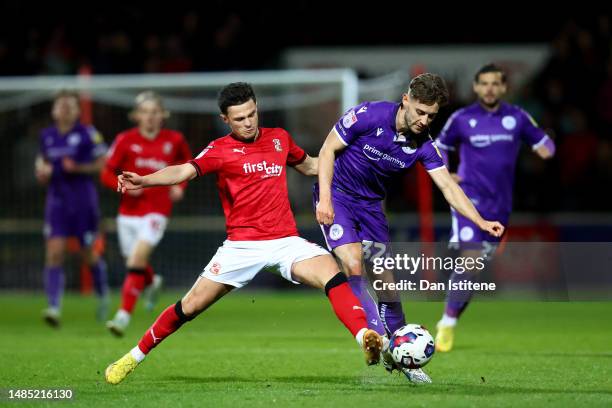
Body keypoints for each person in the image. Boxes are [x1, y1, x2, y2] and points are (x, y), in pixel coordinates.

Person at [104, 82, 382, 385]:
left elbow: (312, 166)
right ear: (226, 119)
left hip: (285, 241)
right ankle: (132, 357)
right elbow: (182, 171)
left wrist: (354, 162)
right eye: (239, 119)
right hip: (241, 246)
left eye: (252, 114)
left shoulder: (279, 138)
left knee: (331, 272)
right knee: (189, 307)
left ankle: (364, 337)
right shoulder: (220, 149)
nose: (248, 122)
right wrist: (144, 180)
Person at [315, 73, 505, 383]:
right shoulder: (369, 114)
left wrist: (480, 220)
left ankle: (404, 358)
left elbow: (448, 187)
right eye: (420, 111)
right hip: (337, 197)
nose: (424, 120)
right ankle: (374, 338)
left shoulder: (424, 145)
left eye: (432, 115)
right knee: (352, 263)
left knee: (386, 282)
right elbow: (327, 150)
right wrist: (324, 199)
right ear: (406, 99)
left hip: (372, 207)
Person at [433, 64, 555, 352]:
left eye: (495, 83)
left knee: (473, 271)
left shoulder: (518, 118)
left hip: (500, 206)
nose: (489, 88)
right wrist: (446, 173)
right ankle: (447, 326)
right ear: (476, 87)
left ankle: (449, 318)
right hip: (467, 198)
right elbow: (440, 146)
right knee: (471, 257)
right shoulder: (462, 119)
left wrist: (545, 145)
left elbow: (546, 145)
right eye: (484, 83)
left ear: (503, 88)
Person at [101, 91, 192, 336]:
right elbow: (106, 173)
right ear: (136, 116)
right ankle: (152, 282)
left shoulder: (174, 139)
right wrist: (122, 188)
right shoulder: (125, 140)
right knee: (135, 263)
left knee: (136, 260)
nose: (150, 117)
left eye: (155, 112)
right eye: (145, 112)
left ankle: (122, 316)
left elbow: (189, 164)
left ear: (163, 115)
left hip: (157, 211)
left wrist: (180, 186)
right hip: (128, 213)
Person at [35, 90, 109, 327]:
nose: (65, 109)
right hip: (56, 202)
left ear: (77, 111)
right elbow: (42, 163)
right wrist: (42, 172)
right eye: (61, 105)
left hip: (83, 203)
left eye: (69, 105)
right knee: (54, 252)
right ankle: (54, 307)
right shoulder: (46, 135)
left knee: (87, 253)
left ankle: (102, 295)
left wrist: (77, 168)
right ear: (54, 110)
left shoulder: (88, 133)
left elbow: (103, 164)